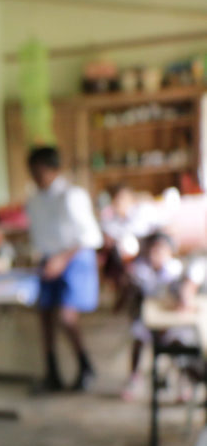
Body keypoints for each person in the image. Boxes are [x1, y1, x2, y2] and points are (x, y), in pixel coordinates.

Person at [25, 146, 103, 391]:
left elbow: (91, 237)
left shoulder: (72, 196)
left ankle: (85, 365)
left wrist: (62, 259)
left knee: (66, 317)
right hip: (48, 261)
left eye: (41, 171)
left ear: (54, 170)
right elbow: (38, 236)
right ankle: (52, 373)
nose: (37, 177)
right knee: (45, 315)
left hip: (74, 259)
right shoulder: (34, 200)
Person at [121, 232, 204, 401]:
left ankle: (183, 383)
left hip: (173, 322)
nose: (156, 255)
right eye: (154, 250)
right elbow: (139, 300)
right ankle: (134, 378)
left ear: (170, 252)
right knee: (138, 335)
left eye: (161, 251)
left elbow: (182, 296)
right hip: (151, 320)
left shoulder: (176, 270)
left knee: (181, 345)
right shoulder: (141, 271)